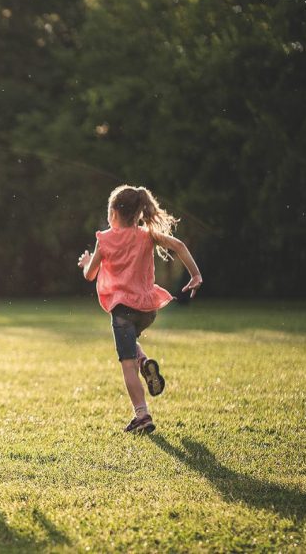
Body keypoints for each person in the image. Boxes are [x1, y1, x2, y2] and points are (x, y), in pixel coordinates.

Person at [78, 185, 202, 434]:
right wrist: (196, 274)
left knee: (126, 364)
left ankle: (142, 415)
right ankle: (145, 362)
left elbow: (90, 274)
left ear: (113, 213)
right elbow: (178, 245)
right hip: (147, 309)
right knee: (131, 344)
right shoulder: (147, 235)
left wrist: (85, 262)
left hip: (122, 310)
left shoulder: (105, 239)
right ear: (138, 215)